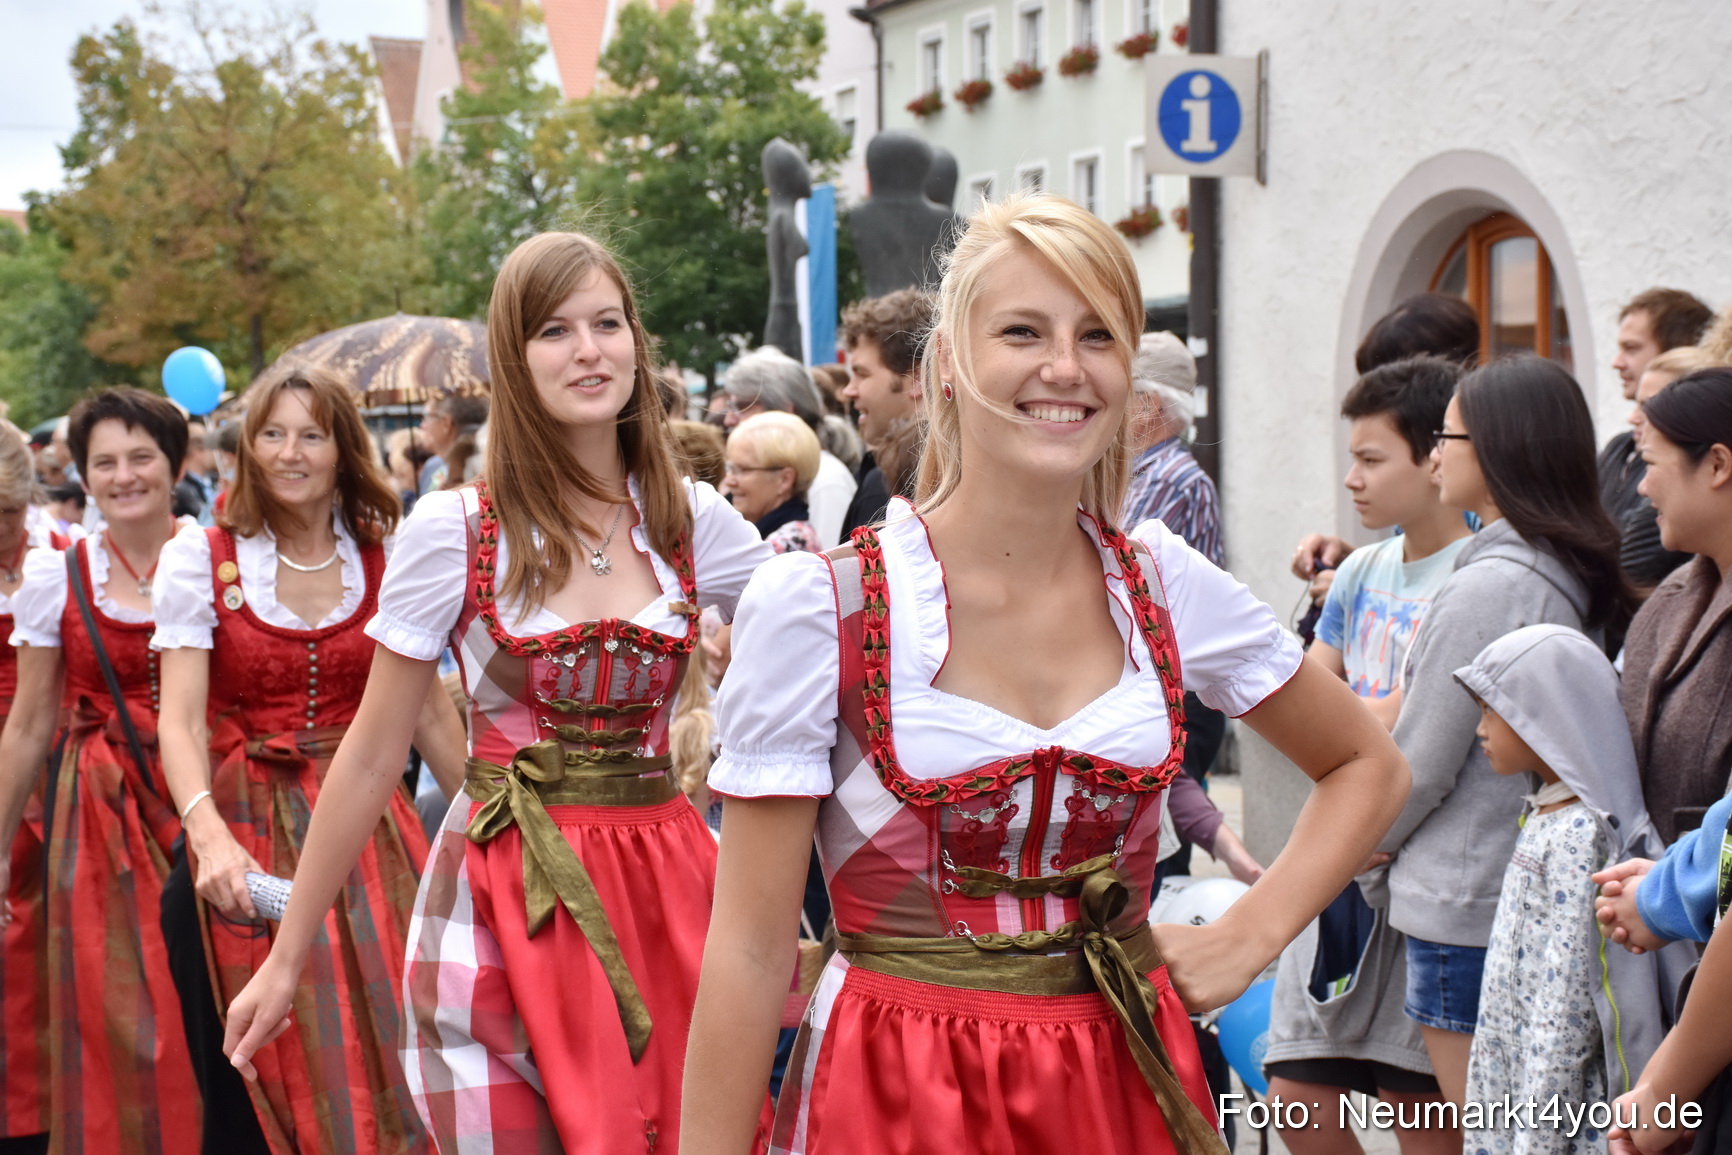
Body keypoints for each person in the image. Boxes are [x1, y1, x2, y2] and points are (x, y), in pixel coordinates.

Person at [682, 193, 1410, 1154]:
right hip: (896, 1097)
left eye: (1098, 335)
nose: (1066, 367)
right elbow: (750, 948)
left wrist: (1251, 934)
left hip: (1122, 1083)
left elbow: (1367, 763)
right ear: (948, 364)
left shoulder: (1164, 584)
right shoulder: (825, 607)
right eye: (1023, 331)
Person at [221, 231, 772, 1153]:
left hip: (666, 894)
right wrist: (287, 951)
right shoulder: (457, 531)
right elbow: (373, 753)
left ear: (637, 344)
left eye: (607, 323)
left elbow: (826, 647)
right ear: (514, 360)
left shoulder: (692, 519)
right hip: (502, 894)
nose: (588, 350)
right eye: (554, 330)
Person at [153, 366, 464, 1155]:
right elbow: (179, 721)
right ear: (249, 447)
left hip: (370, 832)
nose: (290, 452)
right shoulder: (203, 558)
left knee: (400, 1036)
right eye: (272, 433)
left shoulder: (385, 557)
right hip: (245, 827)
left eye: (312, 434)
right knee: (262, 1059)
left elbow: (429, 712)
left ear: (343, 449)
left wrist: (500, 828)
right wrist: (208, 838)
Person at [1377, 356, 1629, 1107]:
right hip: (1508, 886)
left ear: (1498, 448)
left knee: (1486, 1128)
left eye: (1446, 436)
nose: (1434, 455)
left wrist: (1361, 851)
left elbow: (1420, 763)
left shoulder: (1494, 584)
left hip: (1463, 896)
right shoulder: (1556, 566)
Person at [1263, 356, 1470, 1155]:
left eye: (1372, 459)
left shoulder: (1479, 576)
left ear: (1435, 456)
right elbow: (1310, 701)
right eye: (1351, 458)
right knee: (1295, 1095)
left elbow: (1422, 716)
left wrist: (1349, 730)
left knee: (1415, 1101)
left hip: (1417, 871)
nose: (1352, 479)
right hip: (1339, 861)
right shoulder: (1359, 570)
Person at [0, 388, 199, 1155]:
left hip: (209, 796)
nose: (124, 476)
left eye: (141, 456)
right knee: (123, 1010)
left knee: (218, 999)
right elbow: (28, 723)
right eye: (105, 462)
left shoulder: (216, 558)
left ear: (176, 464)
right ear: (82, 475)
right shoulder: (59, 575)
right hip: (101, 817)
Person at [1455, 626, 1675, 1155]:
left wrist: (1537, 1139)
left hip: (1553, 1115)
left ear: (1545, 712)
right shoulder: (1544, 815)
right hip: (1514, 1080)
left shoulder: (1579, 833)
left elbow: (1567, 1008)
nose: (1480, 729)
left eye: (1491, 710)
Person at [1290, 293, 1479, 608]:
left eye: (1371, 460)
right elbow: (1420, 572)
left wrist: (1359, 590)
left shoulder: (1478, 490)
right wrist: (1351, 565)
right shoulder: (1421, 495)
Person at [1609, 368, 1732, 843]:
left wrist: (1670, 882)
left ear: (1717, 465)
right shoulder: (1671, 596)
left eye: (1651, 464)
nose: (1641, 488)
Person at [0, 426, 68, 1155]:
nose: (0, 531)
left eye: (8, 514)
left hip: (61, 767)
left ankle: (55, 1113)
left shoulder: (60, 555)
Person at [1599, 288, 1714, 588]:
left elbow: (1624, 562)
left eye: (1632, 348)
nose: (1617, 362)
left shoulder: (1690, 454)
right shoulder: (1620, 448)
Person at [722, 348, 856, 549]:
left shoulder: (826, 479)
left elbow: (828, 561)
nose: (729, 419)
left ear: (785, 410)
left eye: (742, 406)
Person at [838, 288, 932, 534]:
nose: (849, 390)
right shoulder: (971, 461)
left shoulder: (890, 483)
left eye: (862, 374)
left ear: (917, 379)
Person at [722, 412, 823, 555]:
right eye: (730, 468)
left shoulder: (783, 546)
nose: (729, 481)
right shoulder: (767, 536)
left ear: (784, 479)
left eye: (743, 470)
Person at [417, 394, 488, 494]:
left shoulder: (478, 463)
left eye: (427, 417)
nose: (422, 425)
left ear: (446, 423)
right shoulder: (432, 466)